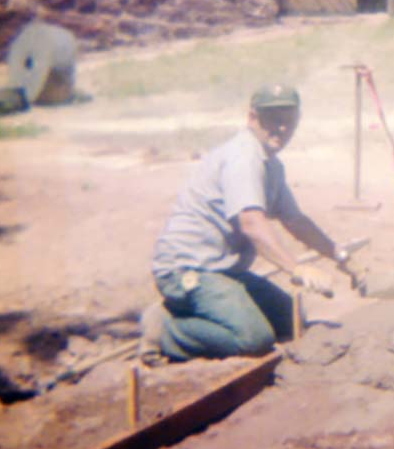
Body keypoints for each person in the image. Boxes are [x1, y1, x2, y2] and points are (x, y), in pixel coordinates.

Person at [143, 83, 352, 362]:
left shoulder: (270, 165)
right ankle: (166, 330)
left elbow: (295, 220)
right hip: (188, 269)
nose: (281, 129)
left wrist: (338, 254)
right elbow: (252, 224)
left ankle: (197, 312)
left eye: (288, 121)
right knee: (253, 339)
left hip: (223, 271)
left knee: (290, 322)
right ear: (253, 118)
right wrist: (296, 268)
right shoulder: (244, 157)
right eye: (273, 120)